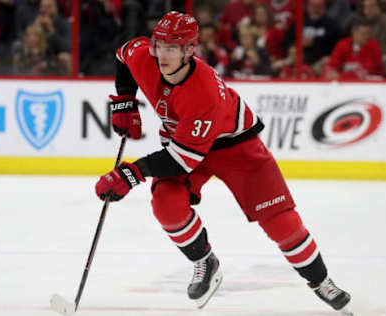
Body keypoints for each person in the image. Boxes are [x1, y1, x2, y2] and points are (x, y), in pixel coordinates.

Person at [95, 11, 353, 314]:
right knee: (166, 203)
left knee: (281, 222)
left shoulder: (203, 92)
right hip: (186, 144)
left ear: (190, 50)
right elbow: (125, 53)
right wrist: (124, 101)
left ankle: (321, 281)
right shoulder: (147, 58)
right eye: (159, 46)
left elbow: (180, 161)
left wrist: (131, 173)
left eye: (172, 48)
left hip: (237, 148)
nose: (162, 55)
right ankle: (204, 261)